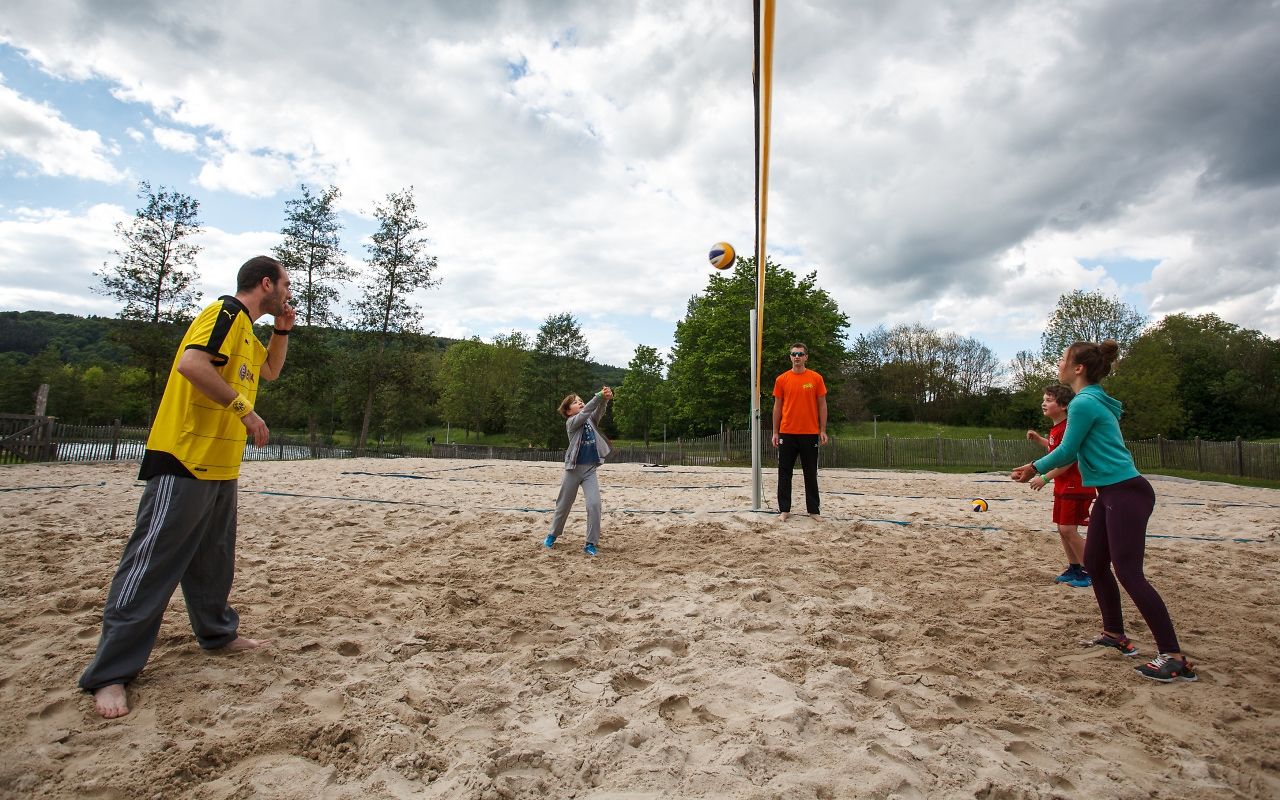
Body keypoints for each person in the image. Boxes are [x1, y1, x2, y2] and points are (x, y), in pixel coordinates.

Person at [79, 255, 295, 718]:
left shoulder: (249, 330)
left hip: (220, 463)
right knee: (151, 563)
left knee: (213, 560)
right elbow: (191, 365)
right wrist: (245, 409)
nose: (289, 291)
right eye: (285, 284)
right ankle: (110, 674)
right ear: (265, 283)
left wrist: (282, 330)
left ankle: (217, 634)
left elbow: (270, 372)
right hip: (183, 458)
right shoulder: (223, 314)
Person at [1012, 340, 1197, 683]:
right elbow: (1072, 451)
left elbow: (1068, 449)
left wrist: (1033, 467)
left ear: (1078, 368)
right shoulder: (1094, 399)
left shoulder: (1083, 402)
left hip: (1126, 492)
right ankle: (1114, 634)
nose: (1059, 364)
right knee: (1095, 564)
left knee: (1129, 572)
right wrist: (1036, 466)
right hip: (1112, 493)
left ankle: (1173, 657)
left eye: (1064, 359)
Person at [1025, 384, 1096, 588]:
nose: (1043, 403)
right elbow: (1054, 449)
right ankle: (1075, 567)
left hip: (1076, 485)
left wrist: (1044, 477)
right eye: (1044, 399)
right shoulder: (1057, 428)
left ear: (1064, 405)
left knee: (1068, 529)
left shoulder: (1068, 428)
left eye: (1049, 400)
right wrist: (1040, 440)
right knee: (1062, 529)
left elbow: (1068, 459)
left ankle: (1090, 571)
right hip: (1064, 486)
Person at [544, 386, 613, 556]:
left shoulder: (590, 420)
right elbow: (586, 411)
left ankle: (590, 543)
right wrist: (597, 396)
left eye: (581, 400)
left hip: (589, 470)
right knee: (563, 505)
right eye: (575, 402)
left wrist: (605, 398)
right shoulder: (572, 422)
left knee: (595, 505)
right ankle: (552, 534)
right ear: (568, 412)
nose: (580, 403)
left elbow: (598, 411)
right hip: (572, 471)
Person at [771, 342, 828, 521]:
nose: (797, 357)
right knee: (784, 472)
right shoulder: (782, 379)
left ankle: (813, 511)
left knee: (810, 472)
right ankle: (784, 510)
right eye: (794, 354)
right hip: (787, 432)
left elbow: (822, 405)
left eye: (800, 354)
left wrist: (823, 430)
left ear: (806, 357)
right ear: (790, 357)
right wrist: (775, 432)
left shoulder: (816, 378)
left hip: (810, 432)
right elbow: (777, 407)